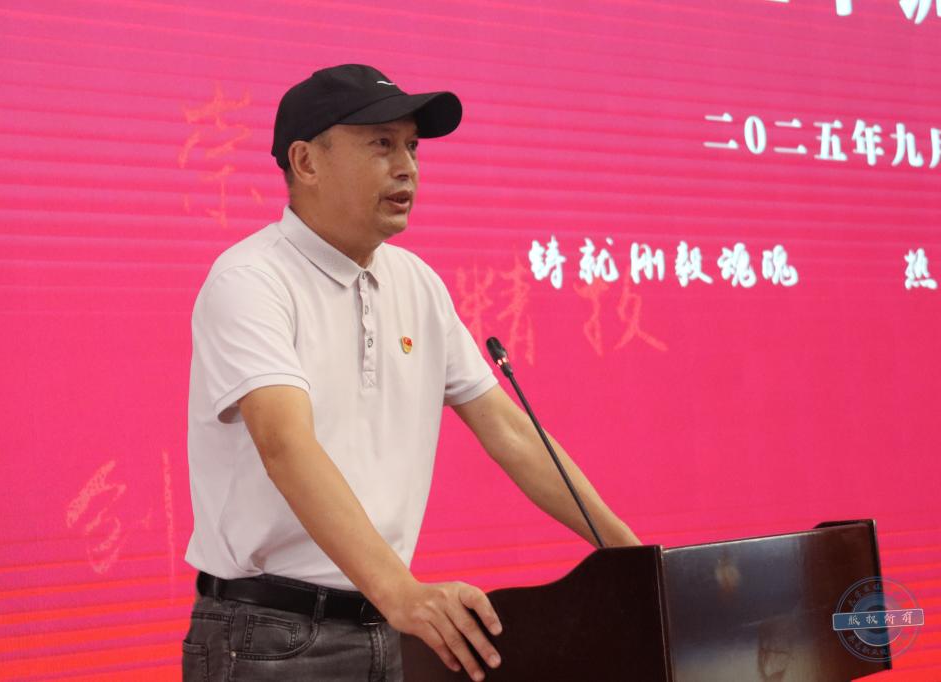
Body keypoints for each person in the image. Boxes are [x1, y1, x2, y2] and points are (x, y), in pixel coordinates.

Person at [182, 64, 640, 682]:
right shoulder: (252, 281)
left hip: (387, 627)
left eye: (412, 147)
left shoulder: (416, 283)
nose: (407, 168)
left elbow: (510, 432)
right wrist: (401, 592)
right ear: (306, 162)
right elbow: (286, 445)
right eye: (381, 145)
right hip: (270, 637)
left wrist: (631, 559)